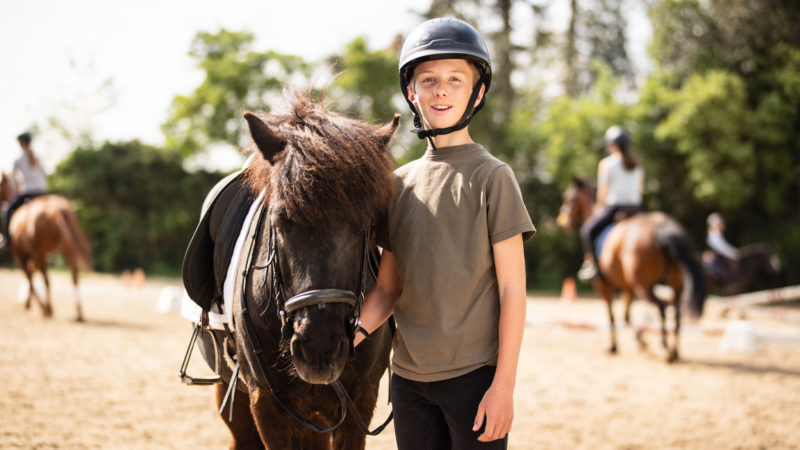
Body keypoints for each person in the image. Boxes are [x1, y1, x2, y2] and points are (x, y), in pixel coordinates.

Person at [353, 18, 535, 449]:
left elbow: (513, 291)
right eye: (428, 79)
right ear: (411, 93)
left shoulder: (494, 178)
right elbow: (387, 289)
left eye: (455, 79)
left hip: (475, 381)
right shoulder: (396, 185)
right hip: (409, 383)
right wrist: (347, 335)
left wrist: (503, 387)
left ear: (477, 92)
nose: (441, 90)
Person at [577, 125, 644, 281]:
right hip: (636, 209)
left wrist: (600, 206)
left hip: (616, 208)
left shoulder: (607, 164)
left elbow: (602, 193)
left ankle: (595, 268)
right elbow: (640, 190)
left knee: (587, 231)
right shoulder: (638, 164)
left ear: (612, 144)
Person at [1, 132, 48, 250]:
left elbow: (12, 181)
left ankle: (7, 241)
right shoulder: (39, 157)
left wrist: (16, 191)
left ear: (21, 143)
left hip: (27, 192)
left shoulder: (18, 160)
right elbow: (44, 174)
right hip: (42, 192)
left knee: (8, 211)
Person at [703, 212, 740, 282]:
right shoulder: (714, 234)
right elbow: (722, 247)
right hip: (717, 258)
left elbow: (724, 246)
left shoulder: (715, 234)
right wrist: (732, 253)